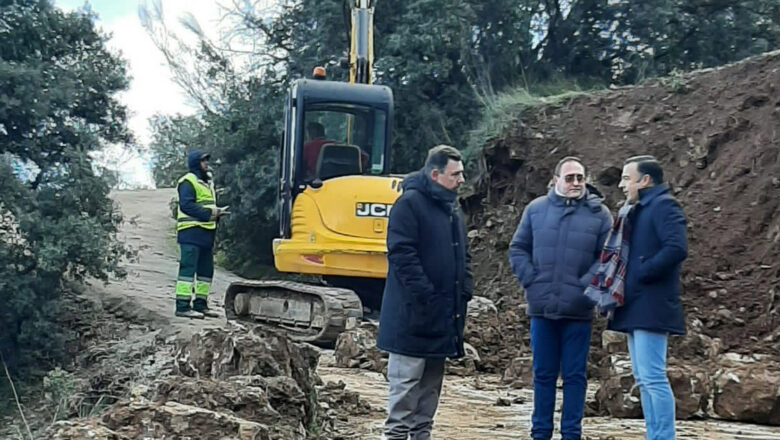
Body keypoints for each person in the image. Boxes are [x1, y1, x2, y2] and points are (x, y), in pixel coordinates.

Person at [508, 156, 612, 440]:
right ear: (555, 181)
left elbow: (606, 259)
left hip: (578, 311)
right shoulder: (536, 210)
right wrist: (531, 280)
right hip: (542, 308)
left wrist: (583, 289)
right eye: (570, 178)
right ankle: (540, 433)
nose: (576, 183)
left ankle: (571, 434)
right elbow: (518, 248)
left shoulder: (600, 215)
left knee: (575, 377)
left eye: (580, 177)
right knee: (542, 374)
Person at [377, 145, 472, 440]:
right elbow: (402, 255)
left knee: (430, 390)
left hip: (441, 318)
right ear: (435, 174)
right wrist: (427, 297)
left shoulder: (451, 209)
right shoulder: (410, 205)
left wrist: (464, 289)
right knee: (404, 388)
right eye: (456, 174)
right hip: (412, 318)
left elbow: (463, 256)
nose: (462, 179)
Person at [608, 155, 687, 440]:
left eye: (626, 178)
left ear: (645, 180)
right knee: (643, 378)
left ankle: (663, 437)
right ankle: (654, 435)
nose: (621, 184)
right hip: (635, 303)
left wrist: (641, 271)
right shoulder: (637, 209)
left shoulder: (664, 206)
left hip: (651, 303)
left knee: (653, 377)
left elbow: (676, 248)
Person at [174, 150, 229, 319]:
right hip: (190, 231)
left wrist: (216, 214)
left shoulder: (207, 183)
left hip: (206, 233)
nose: (206, 164)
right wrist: (211, 213)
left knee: (206, 271)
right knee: (188, 270)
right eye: (203, 161)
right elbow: (186, 206)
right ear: (195, 163)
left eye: (207, 160)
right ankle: (182, 307)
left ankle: (200, 305)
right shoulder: (187, 181)